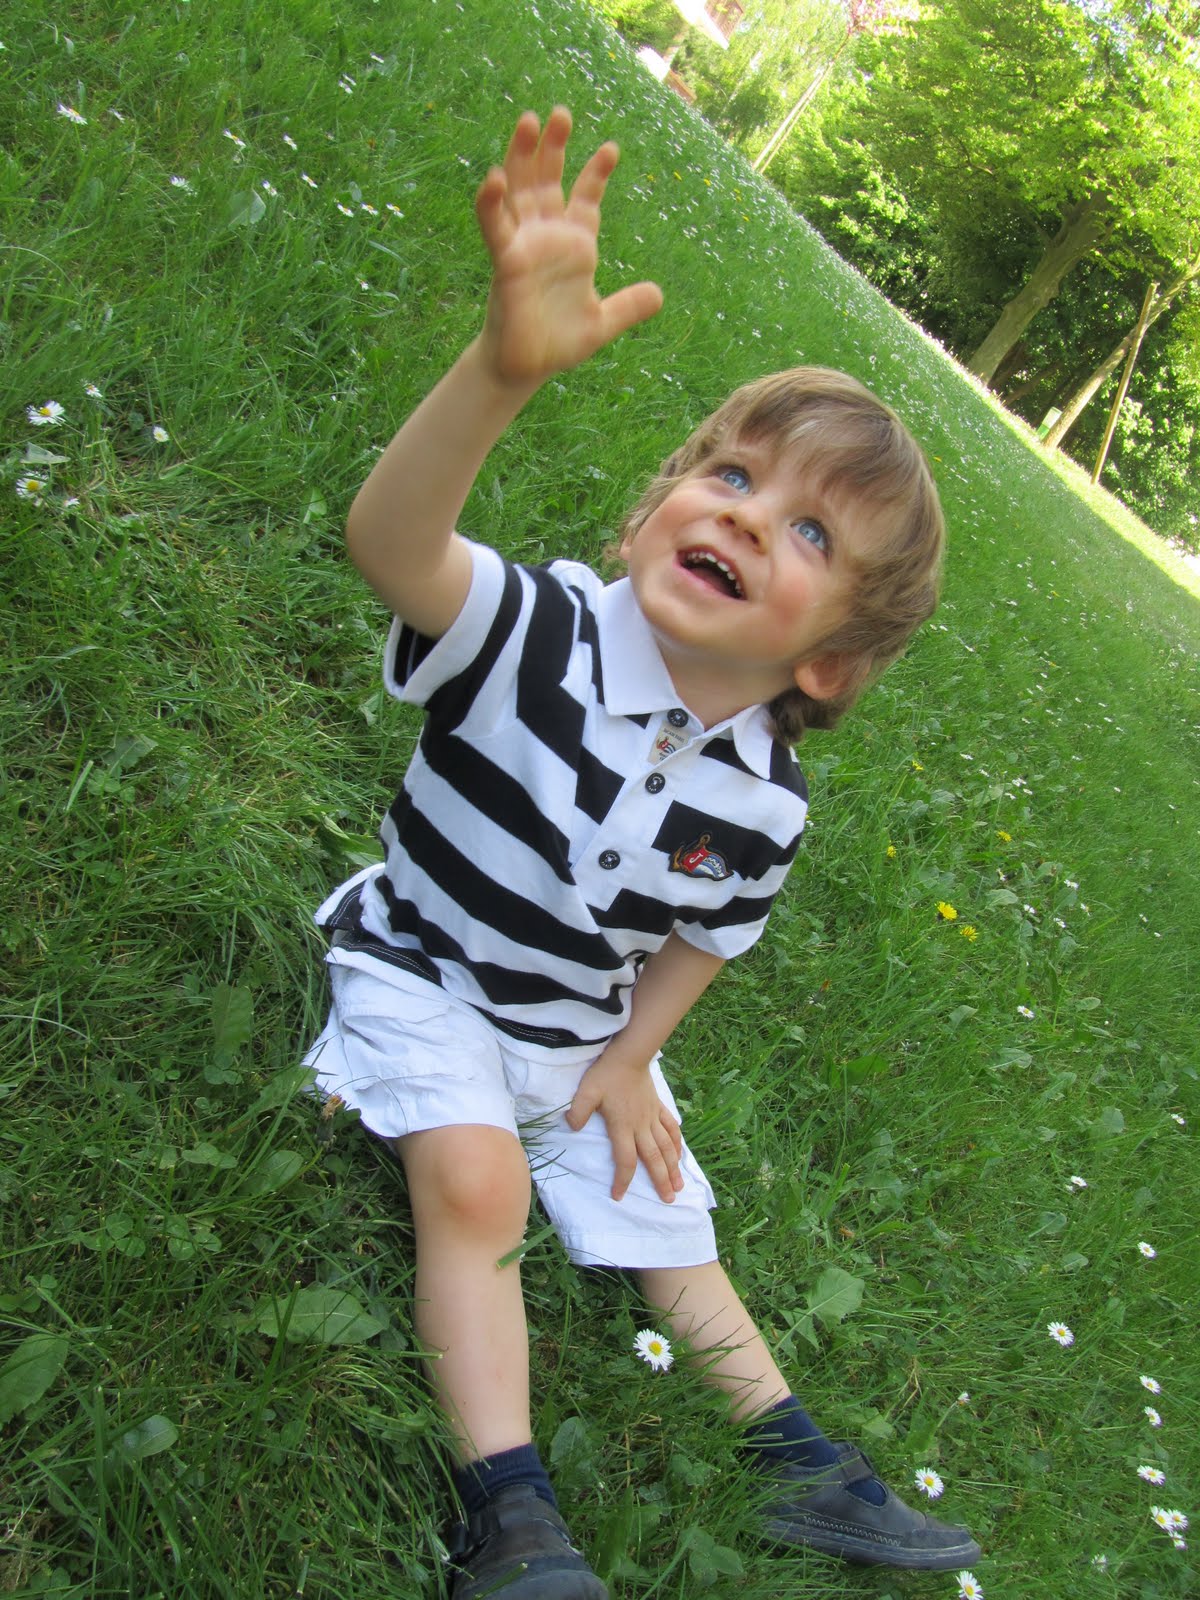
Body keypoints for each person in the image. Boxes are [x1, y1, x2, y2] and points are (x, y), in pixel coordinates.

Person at [304, 105, 980, 1599]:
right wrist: (499, 373)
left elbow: (708, 935)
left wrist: (629, 1057)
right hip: (425, 971)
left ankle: (794, 1456)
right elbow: (391, 544)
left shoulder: (765, 798)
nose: (749, 517)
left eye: (812, 535)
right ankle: (511, 1514)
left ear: (828, 664)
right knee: (478, 1186)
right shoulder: (534, 629)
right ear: (655, 510)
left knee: (668, 1216)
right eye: (731, 477)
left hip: (575, 1029)